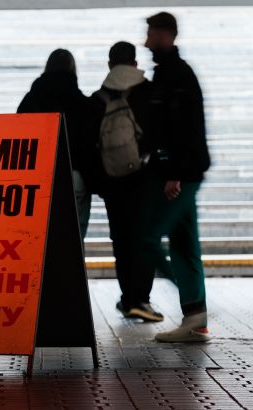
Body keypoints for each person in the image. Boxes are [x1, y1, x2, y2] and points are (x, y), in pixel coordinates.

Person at [137, 12, 212, 341]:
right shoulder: (169, 73)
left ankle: (196, 312)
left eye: (151, 35)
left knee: (147, 237)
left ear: (166, 35)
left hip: (181, 173)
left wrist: (174, 174)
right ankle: (196, 320)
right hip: (182, 171)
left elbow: (182, 130)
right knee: (184, 243)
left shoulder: (176, 75)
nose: (146, 42)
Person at [89, 41, 164, 322]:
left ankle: (128, 297)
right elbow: (160, 135)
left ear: (110, 64)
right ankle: (140, 299)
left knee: (121, 239)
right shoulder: (149, 92)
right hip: (145, 178)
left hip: (113, 182)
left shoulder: (98, 99)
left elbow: (89, 145)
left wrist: (100, 183)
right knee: (144, 237)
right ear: (134, 63)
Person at [17, 49, 95, 241]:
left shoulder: (30, 101)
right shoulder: (82, 103)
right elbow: (89, 145)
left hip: (38, 177)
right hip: (74, 175)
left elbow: (19, 138)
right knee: (74, 238)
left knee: (39, 237)